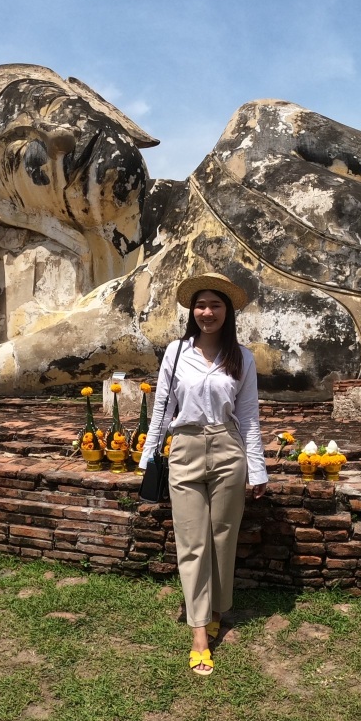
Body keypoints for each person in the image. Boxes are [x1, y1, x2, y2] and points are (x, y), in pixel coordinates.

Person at [138, 271, 267, 676]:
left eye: (215, 305)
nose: (207, 312)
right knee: (191, 542)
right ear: (192, 311)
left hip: (229, 450)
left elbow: (248, 417)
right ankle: (198, 633)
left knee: (223, 537)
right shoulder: (176, 353)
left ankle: (216, 608)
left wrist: (258, 468)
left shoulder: (241, 357)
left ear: (227, 311)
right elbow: (162, 409)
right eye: (201, 305)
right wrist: (147, 457)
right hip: (186, 449)